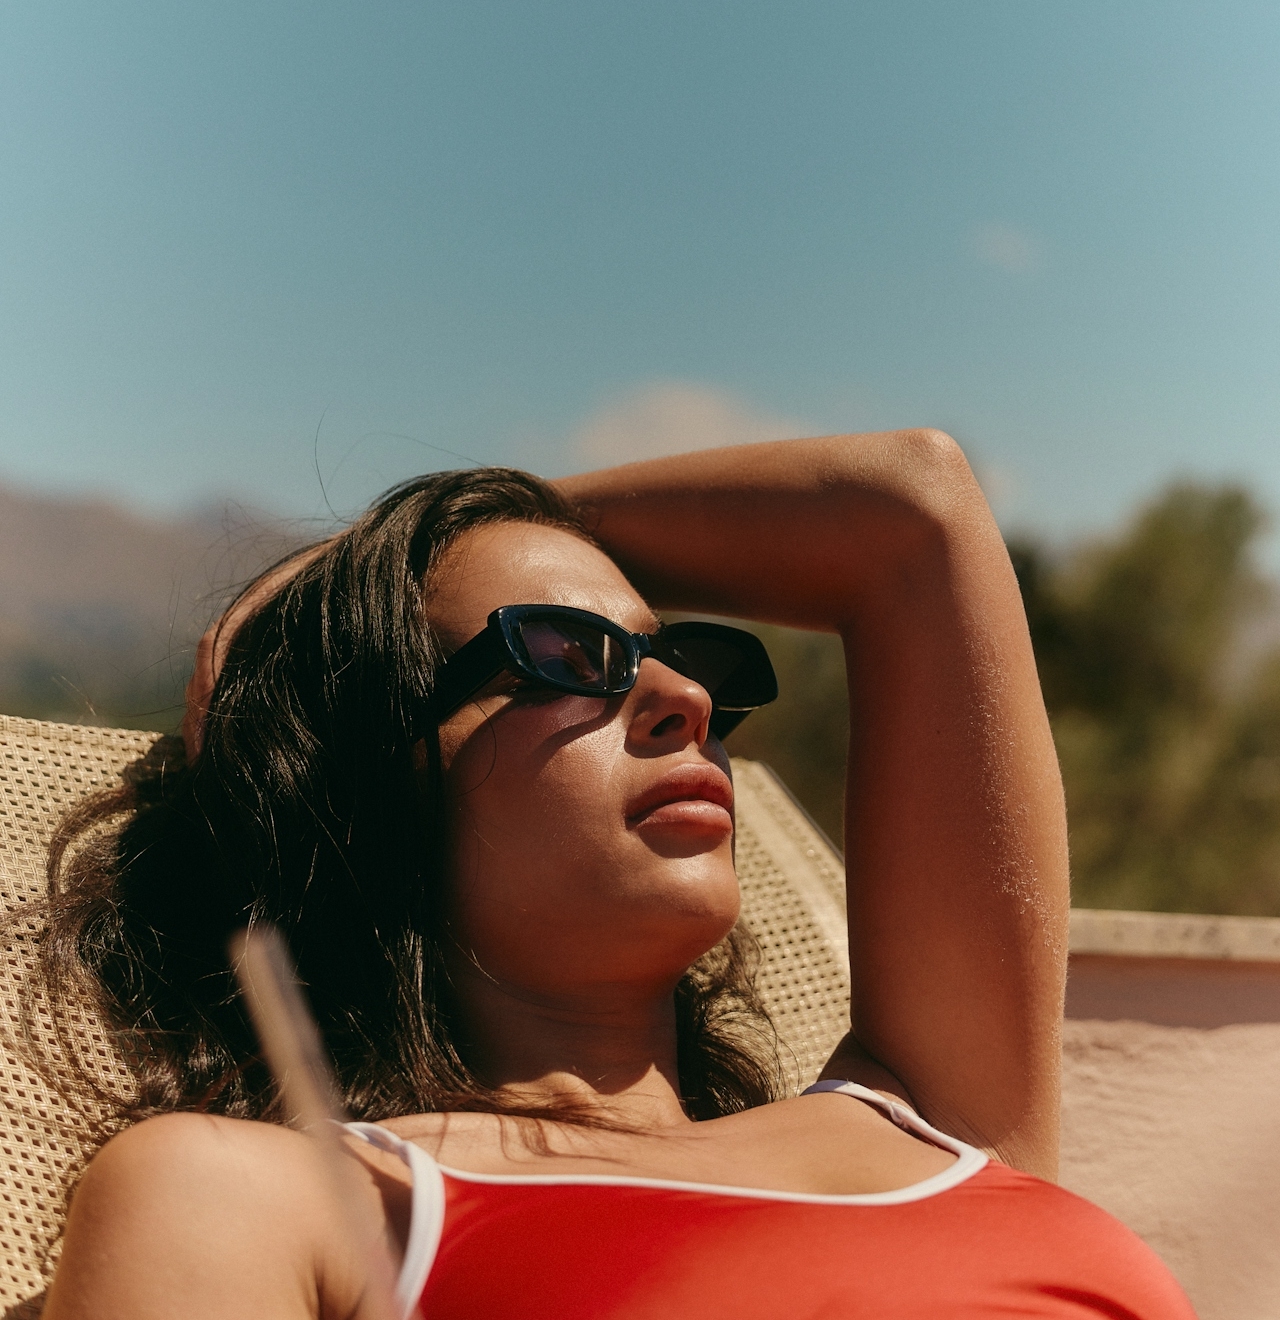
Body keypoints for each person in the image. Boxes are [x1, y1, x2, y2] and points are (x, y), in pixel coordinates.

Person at [39, 432, 1195, 1319]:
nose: (684, 701)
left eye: (679, 658)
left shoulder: (938, 1117)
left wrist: (377, 556)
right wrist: (360, 596)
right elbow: (901, 519)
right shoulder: (270, 1200)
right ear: (367, 780)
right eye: (559, 654)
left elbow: (911, 508)